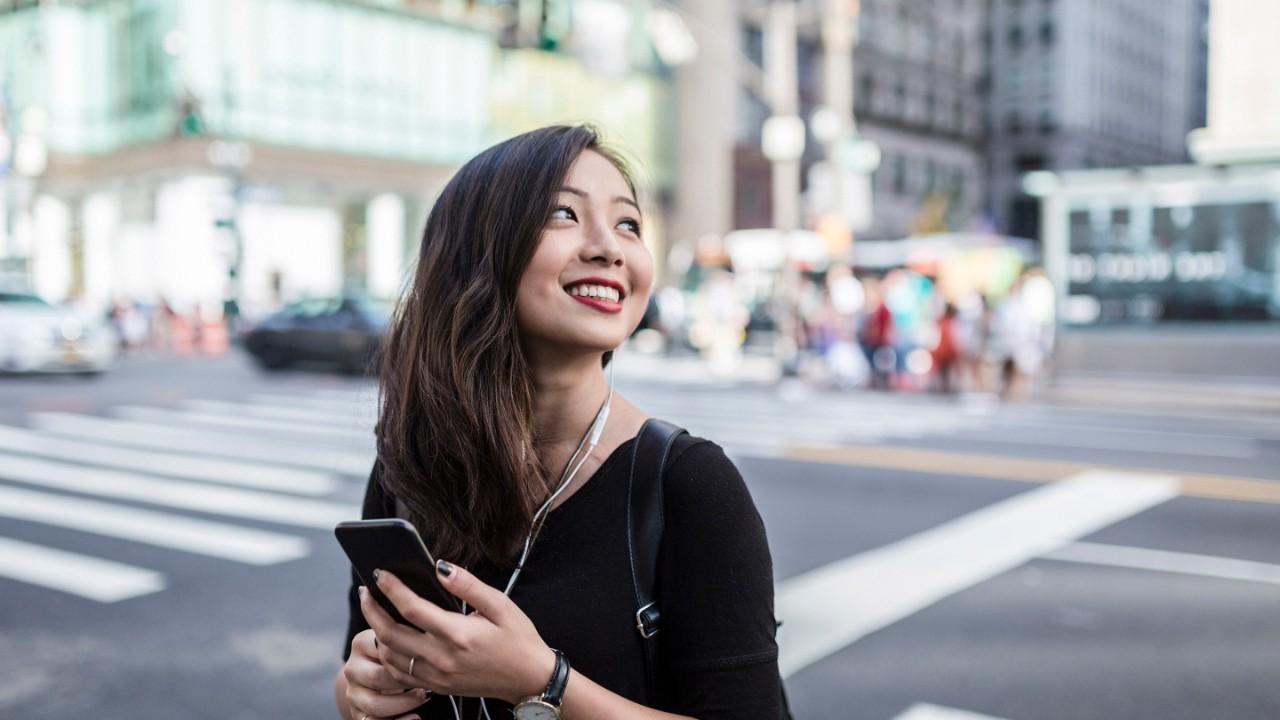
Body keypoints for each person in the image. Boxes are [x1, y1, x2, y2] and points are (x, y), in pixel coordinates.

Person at [335, 126, 784, 720]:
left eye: (628, 223)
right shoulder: (408, 467)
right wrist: (356, 695)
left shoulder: (689, 484)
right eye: (564, 214)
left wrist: (543, 682)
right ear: (477, 252)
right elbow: (357, 669)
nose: (609, 248)